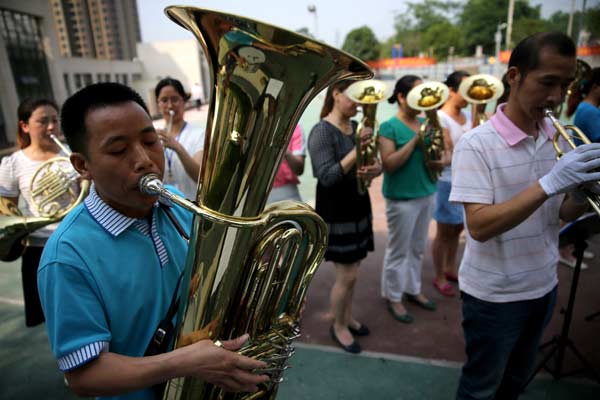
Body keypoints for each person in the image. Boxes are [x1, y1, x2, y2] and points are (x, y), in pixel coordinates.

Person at [37, 82, 268, 399]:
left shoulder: (174, 201)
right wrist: (185, 363)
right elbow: (84, 376)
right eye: (119, 150)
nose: (145, 160)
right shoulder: (67, 255)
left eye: (151, 141)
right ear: (82, 165)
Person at [450, 32, 600, 400]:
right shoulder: (476, 144)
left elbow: (559, 214)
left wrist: (580, 195)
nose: (556, 97)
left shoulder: (558, 138)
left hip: (543, 284)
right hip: (493, 296)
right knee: (480, 386)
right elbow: (480, 227)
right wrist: (550, 182)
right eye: (547, 82)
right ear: (514, 76)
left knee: (516, 381)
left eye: (565, 85)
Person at [307, 80, 381, 354]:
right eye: (354, 97)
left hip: (358, 205)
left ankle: (347, 318)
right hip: (337, 211)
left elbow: (373, 163)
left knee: (354, 271)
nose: (359, 103)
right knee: (347, 275)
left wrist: (374, 168)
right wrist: (357, 150)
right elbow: (326, 176)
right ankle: (338, 326)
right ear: (336, 94)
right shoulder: (321, 131)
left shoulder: (355, 127)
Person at [0, 98, 71, 327]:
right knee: (53, 320)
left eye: (54, 120)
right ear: (24, 126)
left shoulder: (73, 155)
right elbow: (6, 210)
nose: (51, 126)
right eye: (43, 121)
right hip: (39, 250)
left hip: (75, 242)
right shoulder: (13, 164)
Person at [379, 75, 443, 324]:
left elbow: (437, 157)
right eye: (417, 93)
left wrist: (439, 158)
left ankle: (413, 289)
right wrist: (416, 141)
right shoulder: (389, 126)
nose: (423, 97)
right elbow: (390, 164)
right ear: (402, 97)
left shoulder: (426, 122)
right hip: (402, 199)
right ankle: (393, 296)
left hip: (427, 192)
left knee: (417, 248)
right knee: (398, 250)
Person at [430, 71, 472, 297]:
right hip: (447, 181)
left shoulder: (468, 114)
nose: (470, 95)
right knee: (444, 231)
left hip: (466, 178)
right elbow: (449, 150)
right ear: (452, 91)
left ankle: (450, 267)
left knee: (458, 228)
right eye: (465, 90)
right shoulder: (440, 117)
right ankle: (439, 275)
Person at [155, 77, 204, 200]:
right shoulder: (154, 136)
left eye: (175, 99)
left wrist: (178, 148)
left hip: (191, 209)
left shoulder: (199, 134)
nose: (170, 106)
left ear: (184, 101)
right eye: (164, 100)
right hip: (165, 210)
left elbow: (200, 177)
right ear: (158, 104)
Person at [267, 124, 305, 204]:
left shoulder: (296, 127)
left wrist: (285, 151)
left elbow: (299, 170)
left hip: (287, 191)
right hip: (257, 192)